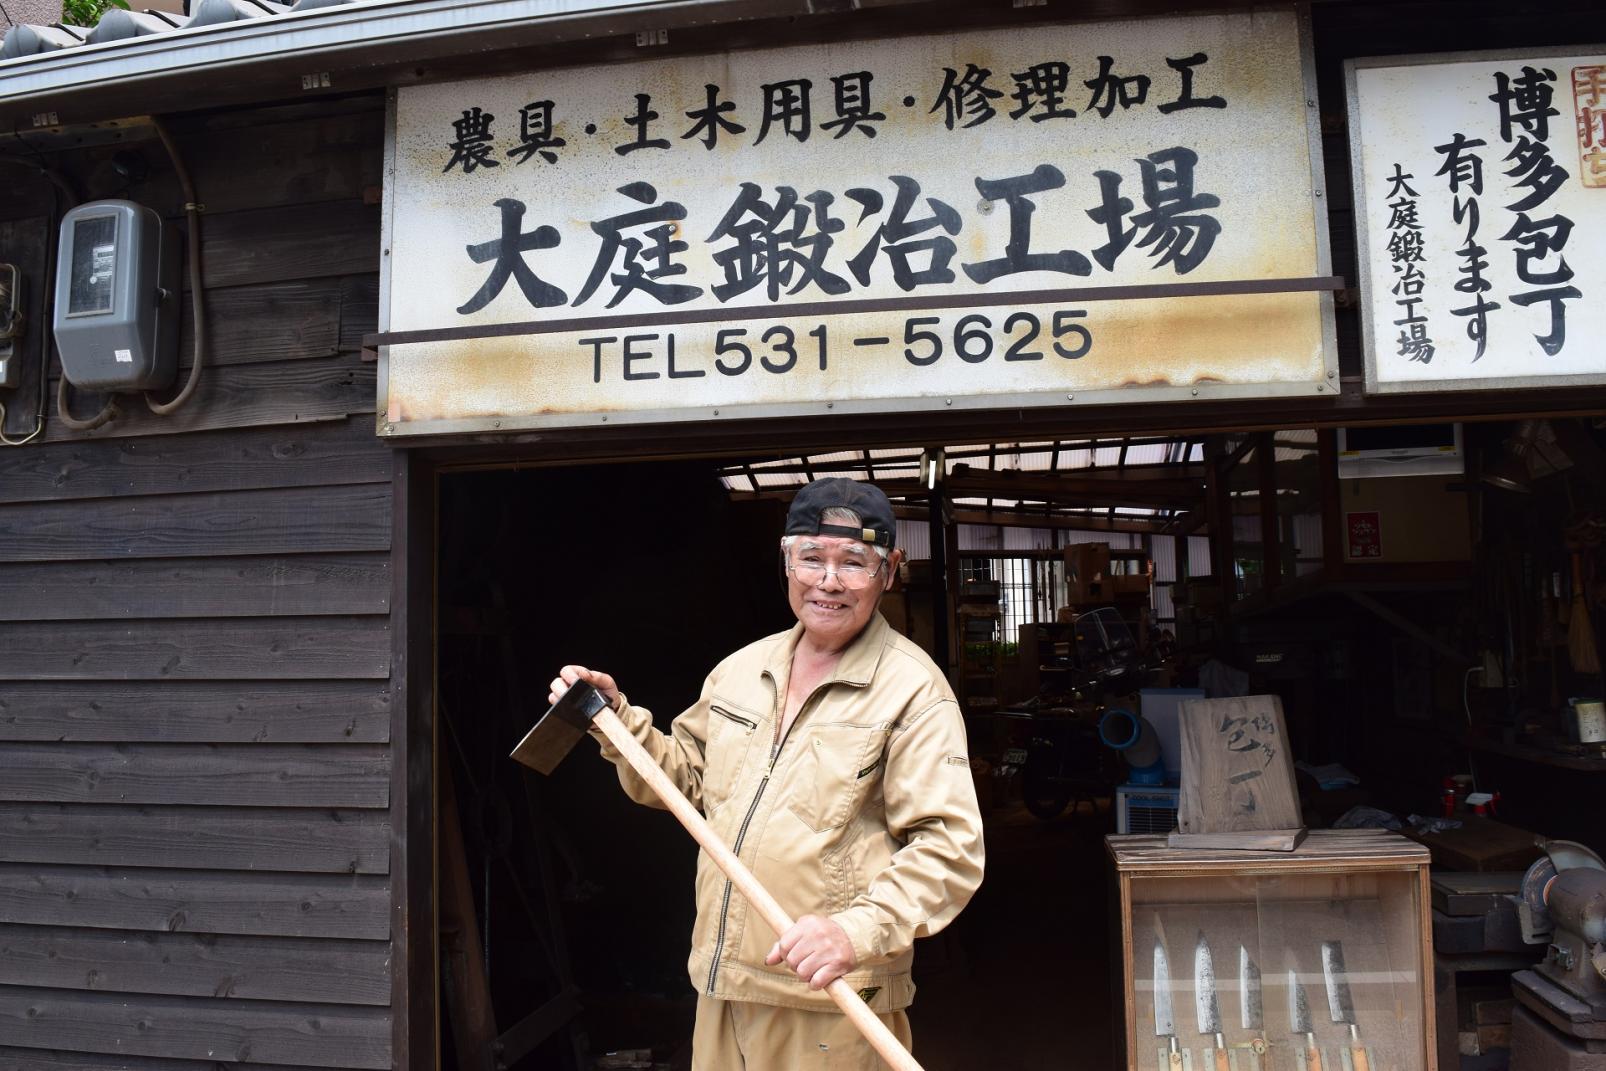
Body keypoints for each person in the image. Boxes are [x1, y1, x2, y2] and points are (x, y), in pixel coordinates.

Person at [549, 477, 984, 1070]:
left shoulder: (913, 692)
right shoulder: (740, 672)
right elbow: (688, 783)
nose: (828, 581)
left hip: (830, 1002)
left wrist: (856, 932)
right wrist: (618, 722)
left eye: (854, 563)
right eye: (812, 558)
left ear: (888, 572)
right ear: (786, 561)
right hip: (724, 983)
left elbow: (948, 847)